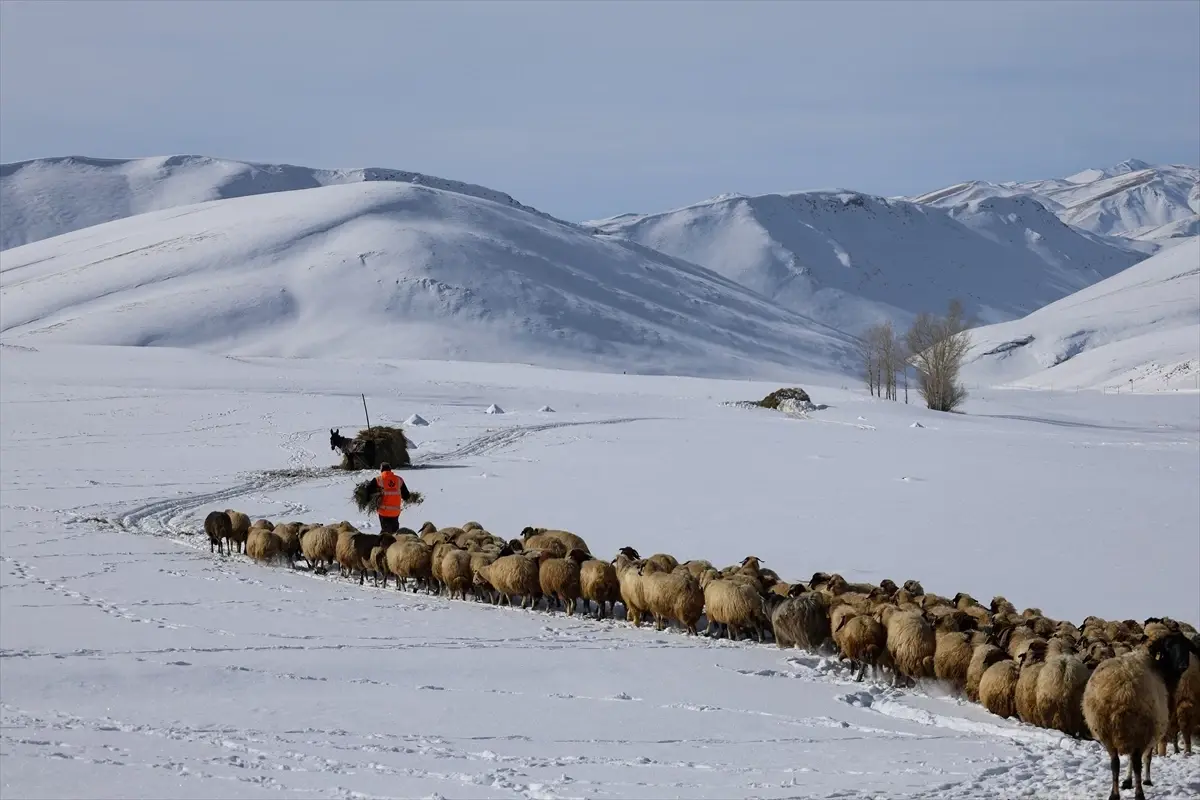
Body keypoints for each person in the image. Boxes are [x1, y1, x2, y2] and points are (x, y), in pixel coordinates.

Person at [362, 462, 411, 533]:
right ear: (390, 470)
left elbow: (368, 489)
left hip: (383, 512)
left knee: (386, 534)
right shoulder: (399, 480)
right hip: (395, 512)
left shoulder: (378, 479)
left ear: (381, 470)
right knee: (395, 534)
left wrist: (367, 500)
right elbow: (406, 496)